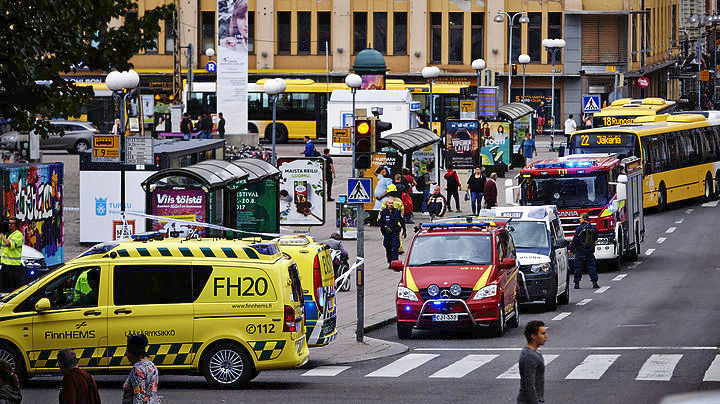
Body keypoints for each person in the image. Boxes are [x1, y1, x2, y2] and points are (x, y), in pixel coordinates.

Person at [122, 334, 160, 404]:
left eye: (127, 351)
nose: (125, 354)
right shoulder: (151, 365)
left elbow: (139, 397)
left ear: (134, 353)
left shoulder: (137, 370)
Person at [518, 321, 547, 404]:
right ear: (533, 336)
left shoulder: (535, 352)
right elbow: (529, 386)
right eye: (542, 333)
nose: (545, 336)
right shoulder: (530, 356)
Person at [571, 213, 599, 289]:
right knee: (591, 266)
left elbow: (575, 240)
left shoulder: (579, 228)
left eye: (580, 218)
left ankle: (577, 283)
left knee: (578, 267)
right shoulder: (593, 228)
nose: (579, 220)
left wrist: (571, 249)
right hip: (590, 250)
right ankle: (594, 282)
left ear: (584, 219)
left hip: (580, 251)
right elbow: (596, 237)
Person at [378, 199, 406, 268]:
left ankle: (395, 262)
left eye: (392, 203)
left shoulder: (397, 211)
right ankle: (390, 262)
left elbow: (402, 221)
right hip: (387, 234)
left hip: (395, 232)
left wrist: (404, 230)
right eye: (389, 203)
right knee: (388, 248)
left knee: (395, 248)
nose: (391, 204)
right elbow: (379, 221)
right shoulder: (383, 212)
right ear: (387, 204)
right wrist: (385, 227)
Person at [0, 217, 23, 293]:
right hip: (4, 265)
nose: (9, 225)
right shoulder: (6, 233)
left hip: (13, 267)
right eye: (8, 223)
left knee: (13, 289)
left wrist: (2, 235)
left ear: (15, 225)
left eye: (11, 223)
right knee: (3, 288)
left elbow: (8, 244)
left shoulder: (18, 235)